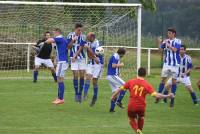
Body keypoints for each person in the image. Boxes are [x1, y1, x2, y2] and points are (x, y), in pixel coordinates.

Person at [111, 67, 174, 134]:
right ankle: (139, 131)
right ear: (145, 74)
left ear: (137, 73)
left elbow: (120, 89)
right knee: (141, 117)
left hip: (132, 105)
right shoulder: (147, 85)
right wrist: (167, 96)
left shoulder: (130, 82)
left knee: (131, 119)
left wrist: (113, 96)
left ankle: (137, 130)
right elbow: (156, 95)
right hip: (141, 106)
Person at [45, 28, 75, 105]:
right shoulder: (63, 39)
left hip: (62, 62)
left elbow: (48, 41)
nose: (53, 34)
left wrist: (47, 40)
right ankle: (59, 97)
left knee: (60, 79)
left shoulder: (59, 38)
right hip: (62, 61)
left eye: (54, 33)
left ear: (57, 32)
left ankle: (61, 98)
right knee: (59, 79)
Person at [156, 28, 181, 108]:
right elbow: (160, 50)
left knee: (174, 82)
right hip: (166, 64)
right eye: (168, 33)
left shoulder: (178, 41)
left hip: (175, 64)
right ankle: (158, 97)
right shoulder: (165, 41)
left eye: (169, 33)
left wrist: (168, 44)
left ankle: (172, 100)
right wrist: (159, 42)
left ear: (174, 34)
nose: (168, 34)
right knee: (163, 80)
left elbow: (175, 50)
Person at [83, 32, 104, 107]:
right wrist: (93, 56)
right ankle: (85, 94)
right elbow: (89, 55)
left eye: (88, 37)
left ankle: (94, 97)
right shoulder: (87, 42)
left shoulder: (97, 44)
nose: (87, 39)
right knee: (88, 77)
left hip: (98, 65)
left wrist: (89, 49)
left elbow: (95, 54)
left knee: (94, 82)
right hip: (90, 63)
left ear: (92, 37)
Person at [67, 23, 86, 103]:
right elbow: (68, 46)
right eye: (78, 30)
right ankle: (76, 93)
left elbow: (81, 47)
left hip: (81, 57)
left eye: (81, 30)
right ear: (75, 29)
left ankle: (80, 93)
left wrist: (75, 56)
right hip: (73, 58)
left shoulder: (83, 36)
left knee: (82, 74)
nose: (80, 31)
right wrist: (72, 40)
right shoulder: (69, 35)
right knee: (75, 75)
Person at [107, 48, 127, 112]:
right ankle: (119, 101)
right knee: (125, 86)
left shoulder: (116, 56)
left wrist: (118, 73)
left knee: (115, 92)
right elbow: (113, 66)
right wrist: (121, 65)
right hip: (112, 75)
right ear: (121, 54)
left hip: (111, 76)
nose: (123, 56)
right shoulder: (116, 56)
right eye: (123, 54)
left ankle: (111, 109)